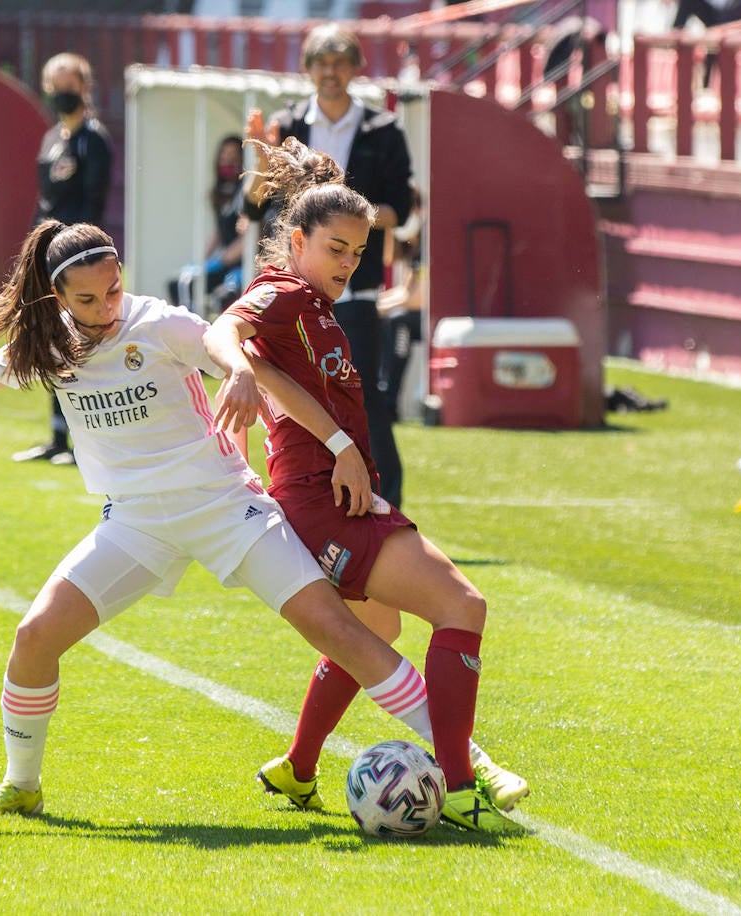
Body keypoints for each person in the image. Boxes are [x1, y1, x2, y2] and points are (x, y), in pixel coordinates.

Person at [0, 219, 507, 830]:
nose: (107, 306)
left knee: (338, 631)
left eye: (113, 288)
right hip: (136, 524)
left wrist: (261, 386)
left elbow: (229, 349)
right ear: (57, 298)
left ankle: (471, 764)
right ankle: (19, 786)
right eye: (87, 298)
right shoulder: (48, 342)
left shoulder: (157, 324)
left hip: (225, 509)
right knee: (34, 638)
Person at [206, 137, 525, 833]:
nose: (348, 264)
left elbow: (284, 375)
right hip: (321, 501)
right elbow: (223, 329)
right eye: (335, 248)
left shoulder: (316, 305)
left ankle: (297, 768)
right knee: (463, 606)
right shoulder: (283, 291)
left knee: (372, 629)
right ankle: (464, 785)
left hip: (343, 492)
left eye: (357, 251)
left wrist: (346, 447)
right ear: (297, 240)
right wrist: (236, 369)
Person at [244, 23, 413, 508]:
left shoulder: (384, 129)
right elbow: (253, 207)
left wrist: (340, 226)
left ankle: (385, 501)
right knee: (289, 393)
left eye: (340, 62)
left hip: (355, 288)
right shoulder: (287, 124)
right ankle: (301, 497)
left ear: (356, 68)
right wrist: (258, 161)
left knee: (364, 395)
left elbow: (401, 211)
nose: (330, 72)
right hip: (294, 283)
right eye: (321, 62)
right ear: (308, 69)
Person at [13, 51, 113, 467]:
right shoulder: (51, 138)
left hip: (78, 261)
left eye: (68, 87)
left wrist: (74, 255)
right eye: (55, 87)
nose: (61, 95)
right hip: (47, 257)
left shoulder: (95, 139)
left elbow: (93, 201)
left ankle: (85, 439)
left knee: (83, 346)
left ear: (85, 88)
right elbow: (44, 199)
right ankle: (57, 437)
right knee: (51, 344)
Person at [166, 135, 248, 316]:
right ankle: (187, 326)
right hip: (224, 261)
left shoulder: (245, 192)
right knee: (178, 282)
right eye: (224, 156)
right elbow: (219, 232)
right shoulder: (220, 193)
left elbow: (248, 238)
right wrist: (202, 260)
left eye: (233, 157)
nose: (227, 161)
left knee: (224, 296)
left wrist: (221, 260)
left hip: (240, 264)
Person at [378, 183, 424, 424]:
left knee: (398, 321)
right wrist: (390, 227)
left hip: (428, 319)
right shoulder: (413, 245)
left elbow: (415, 298)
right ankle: (381, 391)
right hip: (416, 312)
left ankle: (389, 400)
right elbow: (389, 258)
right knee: (384, 319)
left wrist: (377, 307)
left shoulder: (428, 243)